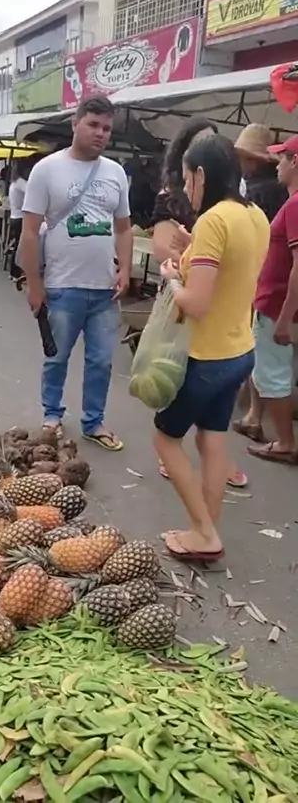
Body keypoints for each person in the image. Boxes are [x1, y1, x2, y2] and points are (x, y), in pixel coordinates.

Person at [154, 135, 269, 561]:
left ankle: (204, 532)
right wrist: (192, 249)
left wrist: (172, 278)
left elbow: (196, 303)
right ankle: (206, 527)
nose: (186, 189)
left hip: (205, 357)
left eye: (187, 179)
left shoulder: (214, 220)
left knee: (166, 440)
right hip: (240, 351)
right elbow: (233, 269)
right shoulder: (254, 215)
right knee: (213, 440)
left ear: (201, 174)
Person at [20, 95, 133, 450]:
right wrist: (34, 285)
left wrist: (126, 269)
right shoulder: (47, 170)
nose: (100, 133)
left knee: (101, 362)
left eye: (106, 128)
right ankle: (52, 416)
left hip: (105, 290)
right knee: (57, 357)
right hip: (62, 285)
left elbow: (124, 228)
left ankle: (93, 422)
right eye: (93, 125)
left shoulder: (115, 173)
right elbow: (29, 232)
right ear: (75, 123)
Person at [151, 117, 248, 488]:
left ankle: (210, 456)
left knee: (212, 390)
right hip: (183, 294)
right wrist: (195, 260)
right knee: (176, 376)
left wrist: (203, 255)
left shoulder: (232, 201)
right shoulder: (172, 195)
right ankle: (172, 450)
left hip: (219, 300)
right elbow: (162, 248)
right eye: (200, 142)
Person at [240, 134, 298, 465]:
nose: (277, 164)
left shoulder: (296, 205)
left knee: (271, 375)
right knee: (277, 372)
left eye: (283, 157)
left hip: (276, 306)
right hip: (278, 304)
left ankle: (286, 443)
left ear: (295, 162)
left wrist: (285, 316)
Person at [232, 124, 288, 445]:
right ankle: (253, 412)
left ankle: (256, 416)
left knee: (258, 347)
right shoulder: (278, 190)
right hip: (272, 279)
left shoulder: (257, 192)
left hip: (260, 277)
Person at [8, 158, 32, 280]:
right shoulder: (20, 183)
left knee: (17, 245)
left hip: (14, 217)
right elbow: (32, 192)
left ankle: (13, 272)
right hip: (20, 218)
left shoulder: (14, 183)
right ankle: (16, 272)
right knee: (20, 246)